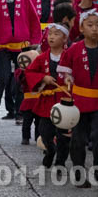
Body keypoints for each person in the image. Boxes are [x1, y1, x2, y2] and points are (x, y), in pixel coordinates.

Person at [58, 9, 98, 189]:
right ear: (81, 28)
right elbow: (65, 72)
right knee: (78, 139)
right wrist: (68, 79)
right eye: (90, 25)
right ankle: (79, 174)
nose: (94, 29)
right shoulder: (73, 50)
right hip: (79, 100)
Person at [25, 21, 71, 168]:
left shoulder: (69, 56)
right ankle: (50, 150)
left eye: (56, 34)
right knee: (44, 131)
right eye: (49, 34)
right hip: (47, 100)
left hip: (63, 99)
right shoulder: (42, 57)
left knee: (63, 134)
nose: (51, 37)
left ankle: (60, 162)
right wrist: (42, 78)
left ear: (64, 39)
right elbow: (30, 72)